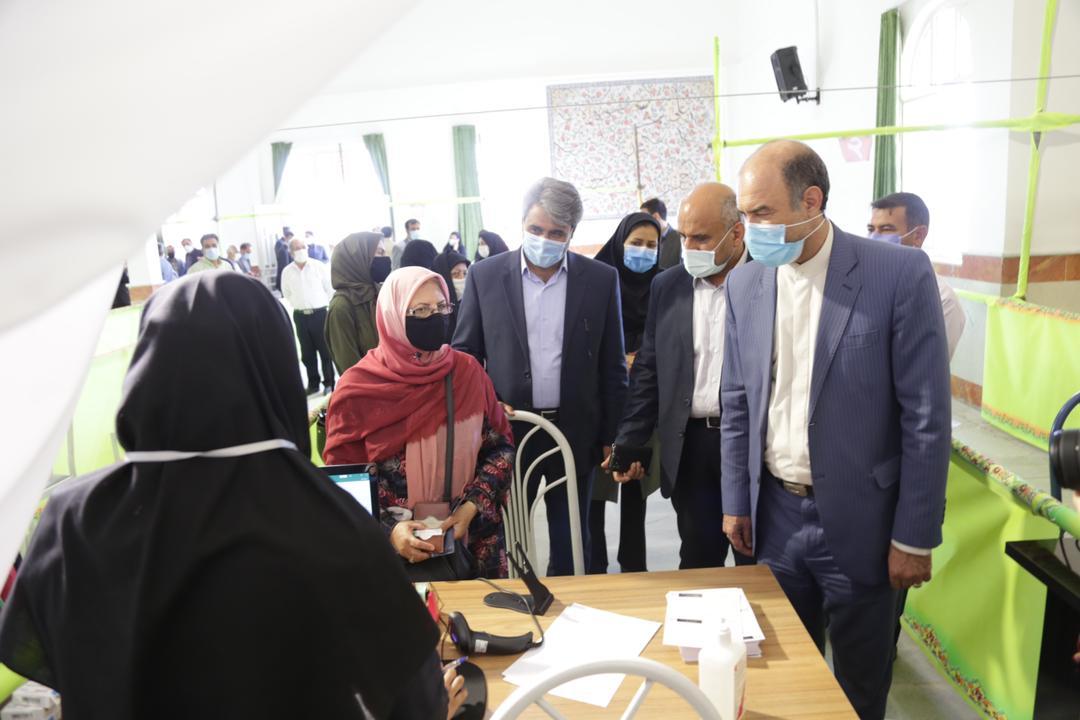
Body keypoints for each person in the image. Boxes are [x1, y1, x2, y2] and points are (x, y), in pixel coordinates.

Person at [0, 271, 464, 719]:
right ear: (277, 370)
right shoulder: (331, 524)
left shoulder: (71, 519)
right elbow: (414, 702)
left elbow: (64, 668)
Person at [721, 141, 950, 720]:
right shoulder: (746, 284)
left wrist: (914, 536)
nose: (750, 229)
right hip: (774, 517)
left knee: (858, 689)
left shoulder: (895, 274)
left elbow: (926, 416)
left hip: (863, 522)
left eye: (762, 213)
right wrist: (736, 501)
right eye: (744, 214)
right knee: (781, 681)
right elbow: (737, 401)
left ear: (812, 201)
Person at [453, 177, 628, 575]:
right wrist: (486, 402)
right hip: (509, 430)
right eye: (535, 229)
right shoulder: (486, 276)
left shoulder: (600, 280)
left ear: (571, 233)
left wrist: (612, 435)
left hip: (576, 431)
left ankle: (567, 600)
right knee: (507, 535)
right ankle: (516, 599)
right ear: (522, 224)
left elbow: (613, 366)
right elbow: (464, 355)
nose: (544, 240)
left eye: (556, 233)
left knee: (572, 538)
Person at [324, 267, 515, 579]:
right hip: (389, 557)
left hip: (470, 543)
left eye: (441, 307)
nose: (435, 317)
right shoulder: (358, 389)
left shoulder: (467, 373)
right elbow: (344, 484)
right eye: (421, 310)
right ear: (393, 315)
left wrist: (472, 506)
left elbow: (500, 449)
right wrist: (390, 531)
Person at [608, 185, 756, 572]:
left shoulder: (769, 280)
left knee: (757, 562)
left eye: (701, 238)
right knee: (697, 559)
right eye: (684, 235)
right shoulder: (669, 285)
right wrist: (631, 439)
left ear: (736, 234)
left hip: (753, 446)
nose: (688, 247)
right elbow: (649, 368)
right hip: (690, 446)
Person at [587, 211, 662, 572]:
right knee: (595, 490)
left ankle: (633, 563)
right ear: (620, 243)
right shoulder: (597, 281)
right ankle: (595, 565)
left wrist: (644, 359)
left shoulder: (663, 285)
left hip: (643, 403)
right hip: (601, 402)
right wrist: (619, 358)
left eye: (651, 245)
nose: (643, 251)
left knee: (634, 483)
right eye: (636, 243)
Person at [868, 192, 966, 359]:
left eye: (886, 229)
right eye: (871, 230)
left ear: (918, 236)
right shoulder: (866, 284)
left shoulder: (943, 299)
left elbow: (928, 363)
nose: (873, 238)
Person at [281, 235, 336, 395]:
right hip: (300, 316)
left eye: (302, 247)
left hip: (320, 314)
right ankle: (313, 384)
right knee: (307, 353)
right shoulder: (287, 271)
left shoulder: (318, 266)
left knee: (325, 351)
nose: (300, 250)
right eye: (296, 248)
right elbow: (287, 293)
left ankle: (329, 383)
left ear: (307, 248)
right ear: (291, 252)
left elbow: (330, 290)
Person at [325, 232, 384, 375]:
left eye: (383, 253)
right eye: (378, 253)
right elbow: (349, 367)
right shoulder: (341, 307)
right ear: (358, 259)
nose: (384, 259)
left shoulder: (381, 293)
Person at [431, 247, 470, 337]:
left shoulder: (471, 304)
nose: (462, 279)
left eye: (465, 274)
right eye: (455, 274)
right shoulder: (435, 311)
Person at [641, 197, 683, 270]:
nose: (642, 224)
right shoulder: (646, 239)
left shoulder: (680, 239)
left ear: (656, 217)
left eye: (644, 219)